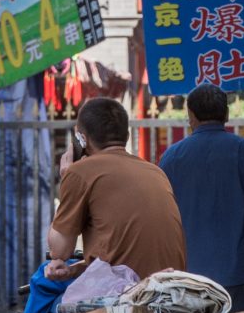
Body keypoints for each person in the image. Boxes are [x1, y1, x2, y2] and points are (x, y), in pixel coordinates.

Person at [157, 84, 244, 313]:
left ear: (191, 116)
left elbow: (161, 212)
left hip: (188, 275)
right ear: (226, 114)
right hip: (238, 272)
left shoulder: (172, 157)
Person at [44, 97, 187, 282]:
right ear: (126, 137)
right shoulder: (155, 171)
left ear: (82, 139)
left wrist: (66, 179)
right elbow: (122, 258)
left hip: (125, 297)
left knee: (44, 288)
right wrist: (72, 271)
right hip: (170, 289)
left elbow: (59, 251)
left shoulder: (79, 172)